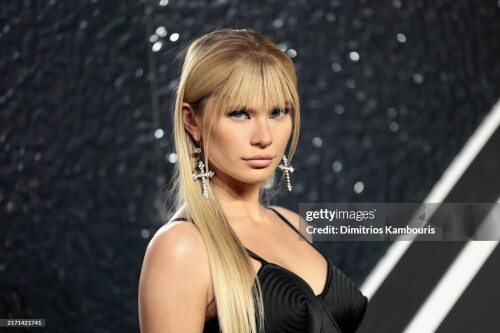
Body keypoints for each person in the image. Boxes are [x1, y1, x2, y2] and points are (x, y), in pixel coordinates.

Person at [138, 28, 367, 333]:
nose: (264, 137)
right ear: (191, 121)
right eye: (240, 114)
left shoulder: (294, 225)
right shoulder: (181, 249)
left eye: (277, 112)